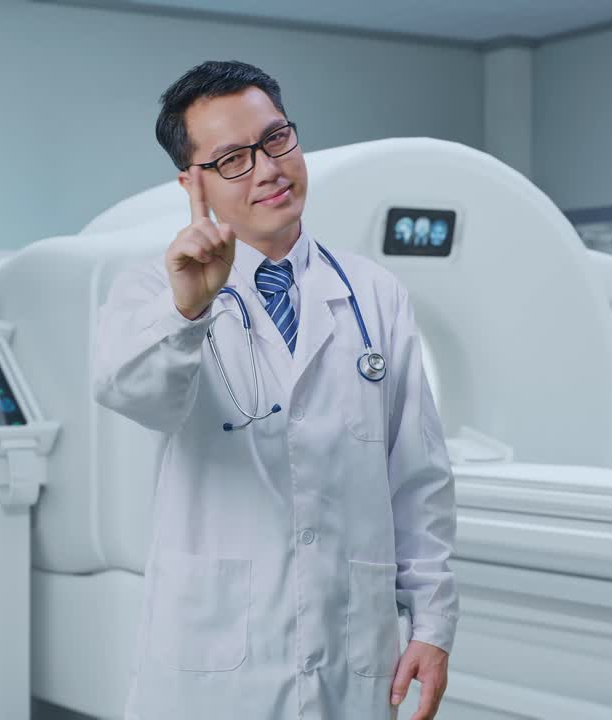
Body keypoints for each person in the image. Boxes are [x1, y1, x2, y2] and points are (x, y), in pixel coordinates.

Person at [93, 60, 458, 720]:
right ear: (191, 182)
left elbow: (418, 476)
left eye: (277, 139)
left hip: (350, 646)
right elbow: (135, 396)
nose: (267, 169)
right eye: (233, 158)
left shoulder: (374, 294)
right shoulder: (153, 288)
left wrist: (431, 623)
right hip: (216, 658)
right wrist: (188, 312)